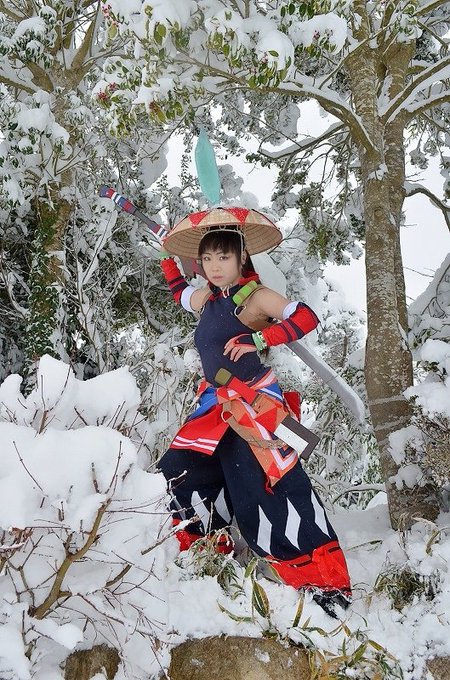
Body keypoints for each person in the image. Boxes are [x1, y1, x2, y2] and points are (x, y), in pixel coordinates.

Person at [157, 206, 351, 616]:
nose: (214, 266)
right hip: (214, 406)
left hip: (253, 405)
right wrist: (167, 260)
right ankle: (206, 554)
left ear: (241, 257)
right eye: (207, 258)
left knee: (263, 483)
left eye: (223, 256)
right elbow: (179, 293)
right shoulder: (207, 299)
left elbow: (305, 316)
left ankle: (319, 581)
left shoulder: (255, 296)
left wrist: (260, 340)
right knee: (178, 468)